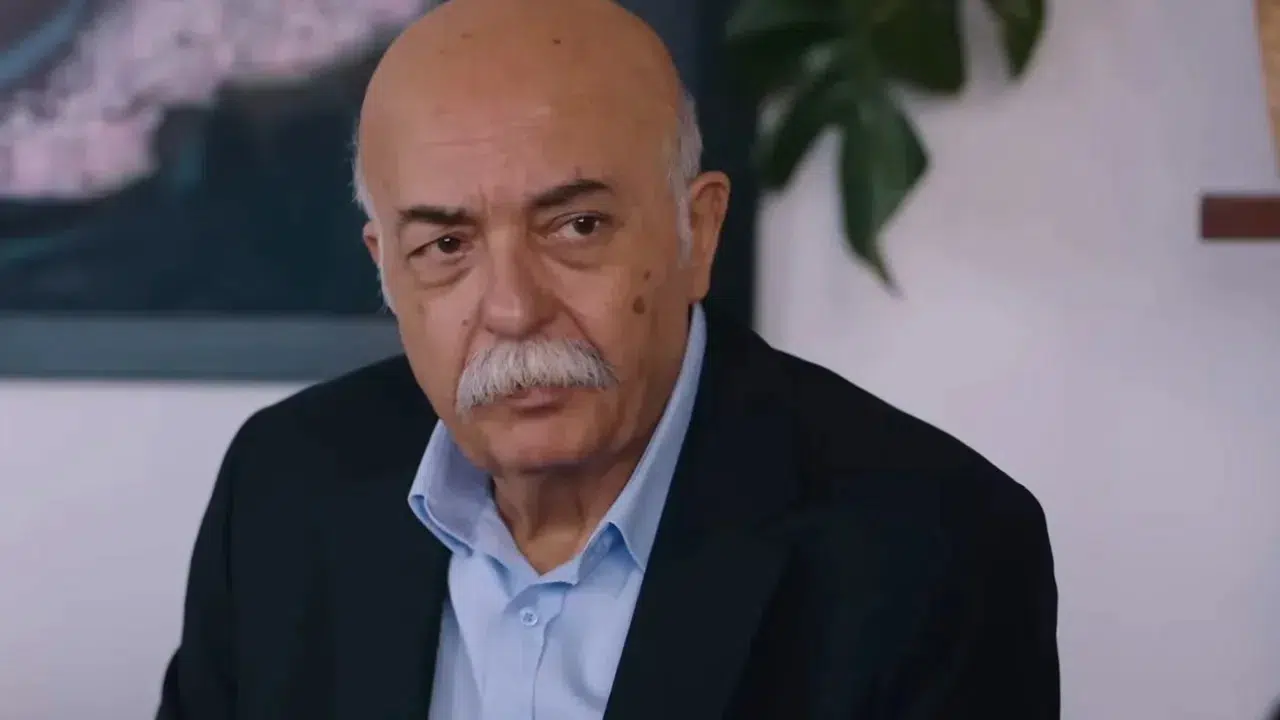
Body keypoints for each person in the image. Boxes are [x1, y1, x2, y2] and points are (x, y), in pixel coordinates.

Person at [156, 0, 1060, 717]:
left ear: (697, 232)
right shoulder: (281, 488)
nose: (513, 310)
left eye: (577, 226)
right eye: (446, 246)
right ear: (386, 270)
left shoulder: (934, 551)